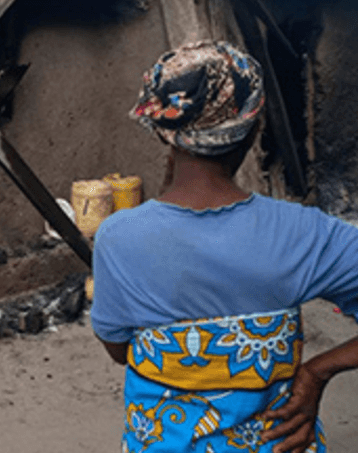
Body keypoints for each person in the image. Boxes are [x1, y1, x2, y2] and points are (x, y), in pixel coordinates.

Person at [91, 41, 358, 453]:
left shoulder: (118, 237)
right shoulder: (304, 233)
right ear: (254, 128)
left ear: (162, 130)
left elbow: (119, 351)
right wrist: (316, 372)